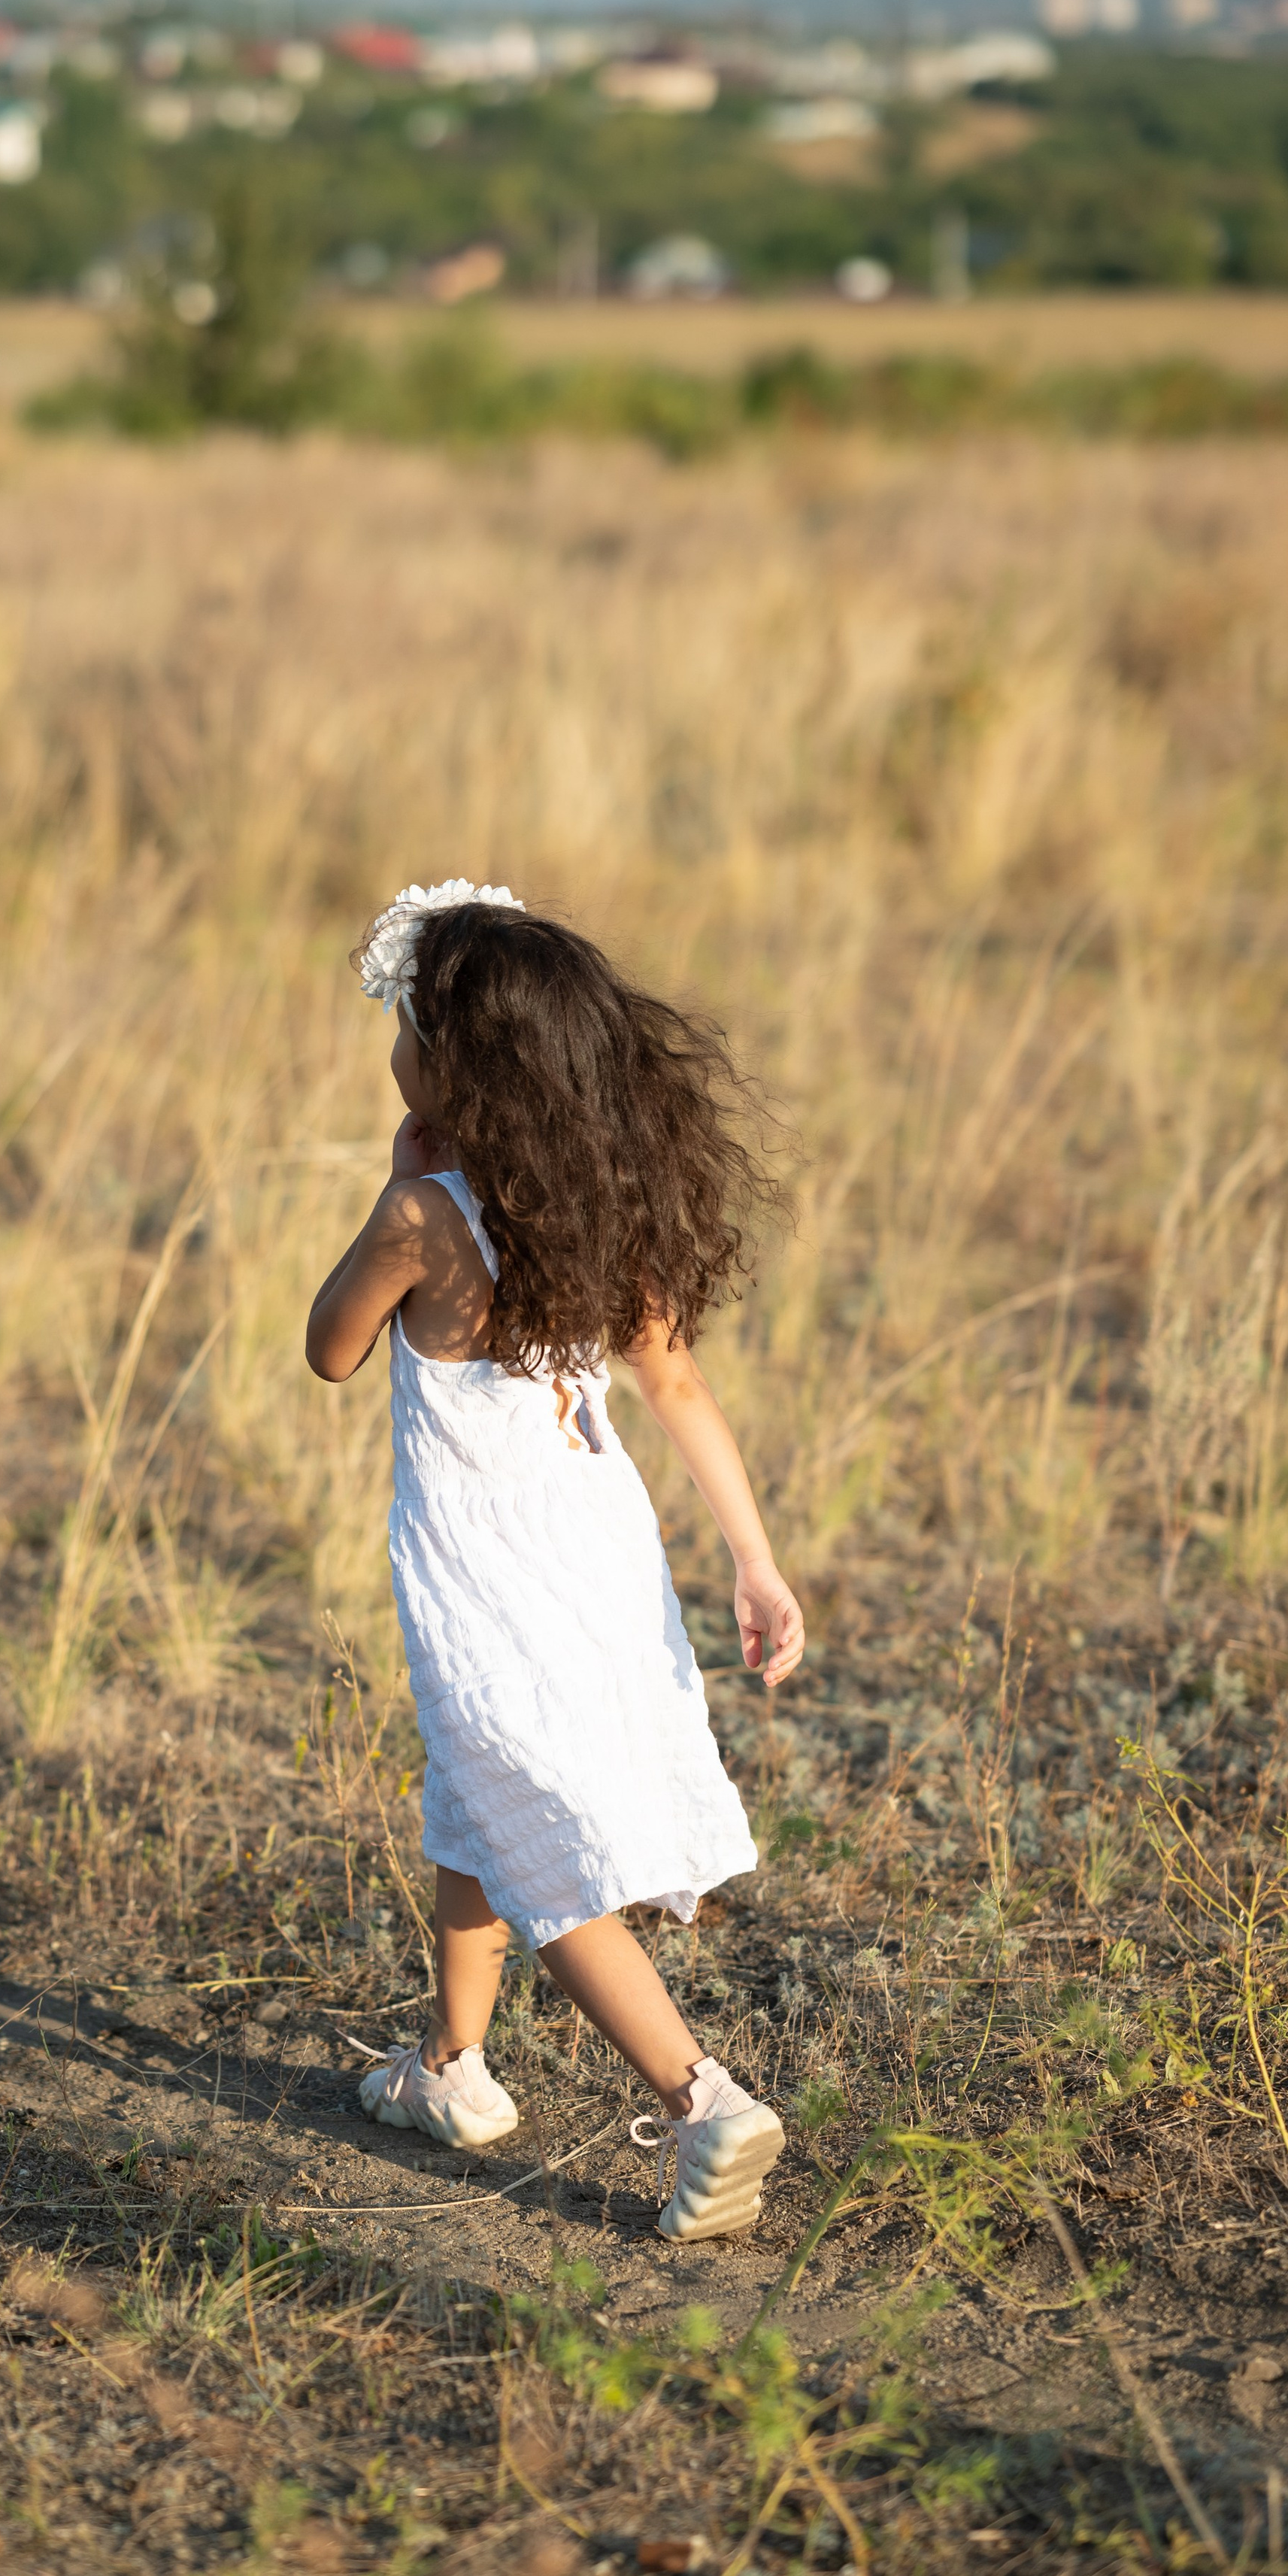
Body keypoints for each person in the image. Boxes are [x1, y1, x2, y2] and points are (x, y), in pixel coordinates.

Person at [305, 881, 805, 2241]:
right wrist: (757, 1569)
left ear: (455, 1069)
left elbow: (331, 1347)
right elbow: (681, 1389)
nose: (393, 1042)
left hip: (487, 1574)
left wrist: (399, 1191)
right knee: (479, 1793)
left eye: (409, 1026)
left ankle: (705, 2102)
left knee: (544, 1856)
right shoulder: (593, 1208)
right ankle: (452, 2069)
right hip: (598, 1549)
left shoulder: (430, 1220)